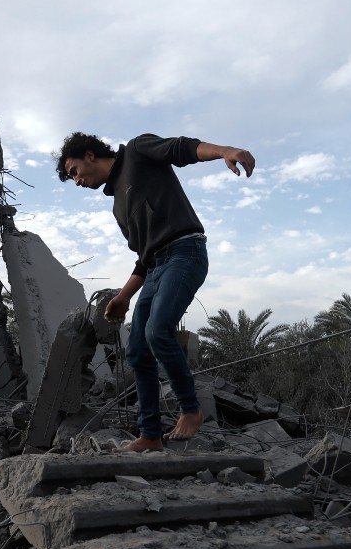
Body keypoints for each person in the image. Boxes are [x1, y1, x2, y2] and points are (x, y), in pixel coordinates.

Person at [58, 131, 255, 453]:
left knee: (158, 331)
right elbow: (144, 258)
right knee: (137, 350)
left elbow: (182, 149)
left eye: (74, 171)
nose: (76, 181)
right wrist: (123, 297)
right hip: (156, 268)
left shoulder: (137, 152)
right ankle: (150, 436)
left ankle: (191, 410)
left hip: (184, 252)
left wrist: (224, 151)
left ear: (89, 155)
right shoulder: (118, 207)